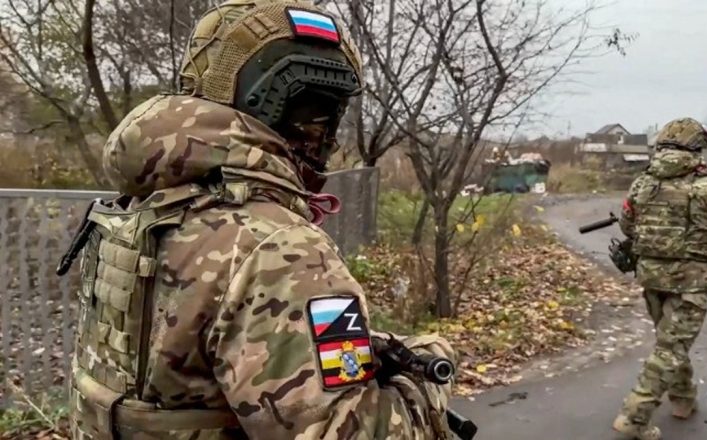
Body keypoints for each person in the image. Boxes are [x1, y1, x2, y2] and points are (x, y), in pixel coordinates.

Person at [65, 1, 455, 439]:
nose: (322, 137)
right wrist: (429, 371)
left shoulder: (143, 206)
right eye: (312, 115)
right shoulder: (278, 247)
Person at [612, 117, 707, 439]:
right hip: (690, 282)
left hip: (651, 277)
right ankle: (634, 417)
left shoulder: (642, 183)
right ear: (697, 148)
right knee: (671, 347)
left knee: (671, 343)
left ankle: (683, 398)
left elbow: (627, 226)